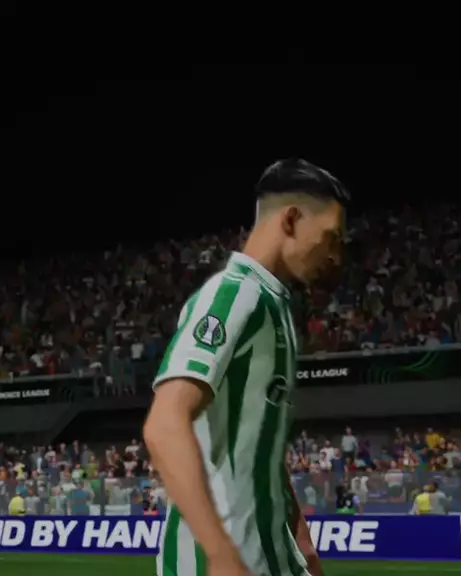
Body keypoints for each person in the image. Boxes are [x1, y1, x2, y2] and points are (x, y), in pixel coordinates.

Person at [144, 158, 349, 576]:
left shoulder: (274, 305)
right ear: (291, 219)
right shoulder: (234, 295)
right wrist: (221, 556)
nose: (334, 254)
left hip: (273, 556)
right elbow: (164, 424)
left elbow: (258, 446)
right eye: (330, 237)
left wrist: (302, 540)